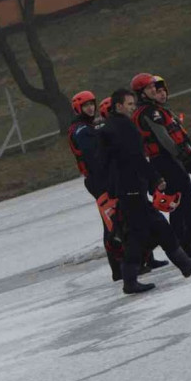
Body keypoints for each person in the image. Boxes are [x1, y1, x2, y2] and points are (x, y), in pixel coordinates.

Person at [98, 89, 191, 294]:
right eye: (129, 104)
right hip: (130, 187)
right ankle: (130, 280)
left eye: (133, 104)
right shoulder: (124, 127)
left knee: (159, 226)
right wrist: (155, 178)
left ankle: (184, 264)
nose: (133, 107)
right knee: (136, 235)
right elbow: (136, 158)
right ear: (118, 106)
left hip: (128, 187)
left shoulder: (111, 127)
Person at [131, 72, 191, 258]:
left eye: (154, 87)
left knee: (185, 203)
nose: (154, 90)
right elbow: (164, 139)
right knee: (182, 204)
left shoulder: (156, 108)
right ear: (141, 93)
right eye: (149, 88)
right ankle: (188, 246)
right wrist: (185, 158)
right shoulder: (149, 112)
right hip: (166, 161)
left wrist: (190, 158)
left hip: (171, 161)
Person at [68, 90, 124, 282]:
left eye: (92, 104)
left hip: (104, 176)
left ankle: (132, 263)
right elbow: (95, 156)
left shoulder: (90, 125)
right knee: (112, 223)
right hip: (98, 179)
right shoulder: (81, 130)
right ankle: (118, 269)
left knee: (117, 220)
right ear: (78, 108)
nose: (91, 108)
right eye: (86, 106)